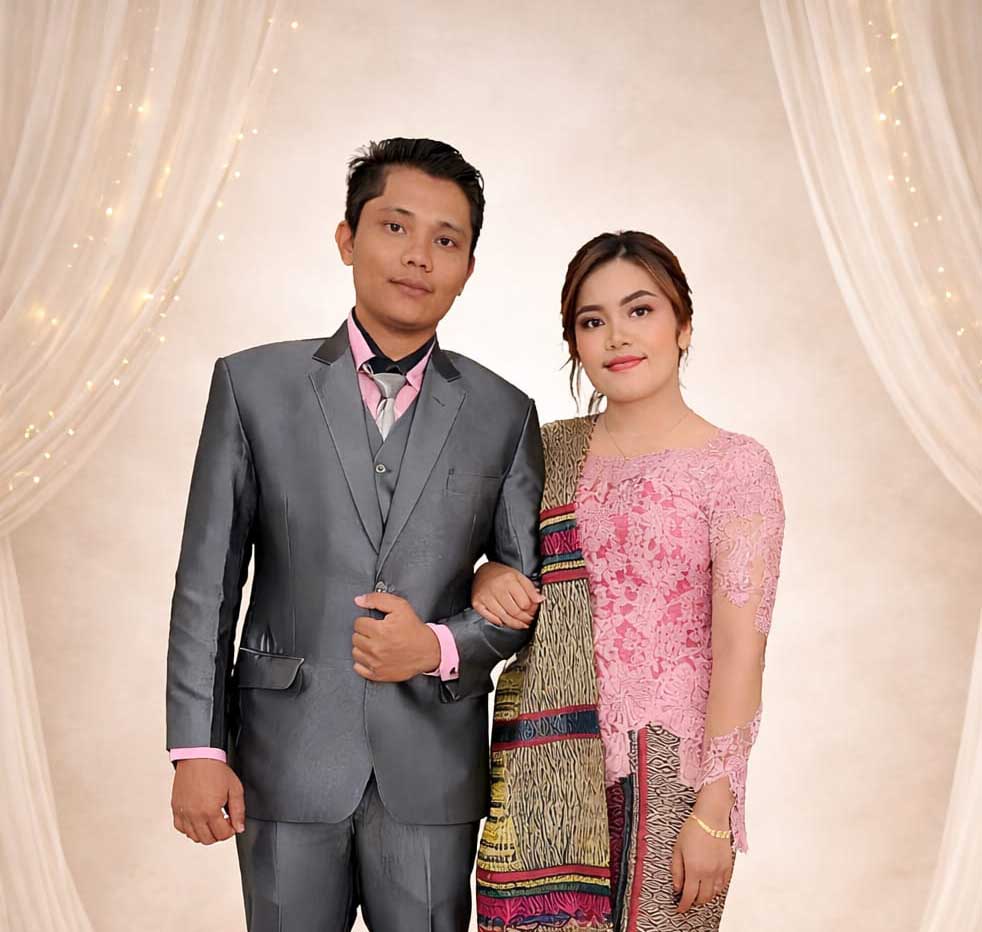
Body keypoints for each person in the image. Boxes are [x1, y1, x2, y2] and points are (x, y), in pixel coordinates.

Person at [165, 137, 544, 932]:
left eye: (446, 240)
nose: (419, 257)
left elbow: (521, 594)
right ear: (347, 238)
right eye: (395, 227)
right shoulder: (253, 386)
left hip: (433, 773)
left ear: (469, 267)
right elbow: (208, 579)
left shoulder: (505, 413)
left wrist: (437, 646)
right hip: (283, 759)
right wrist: (198, 749)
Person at [471, 231, 785, 931]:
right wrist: (486, 574)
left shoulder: (734, 466)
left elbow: (741, 648)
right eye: (593, 320)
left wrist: (716, 808)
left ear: (684, 325)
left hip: (670, 766)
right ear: (575, 343)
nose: (617, 335)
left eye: (640, 310)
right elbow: (489, 559)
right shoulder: (547, 451)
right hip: (545, 766)